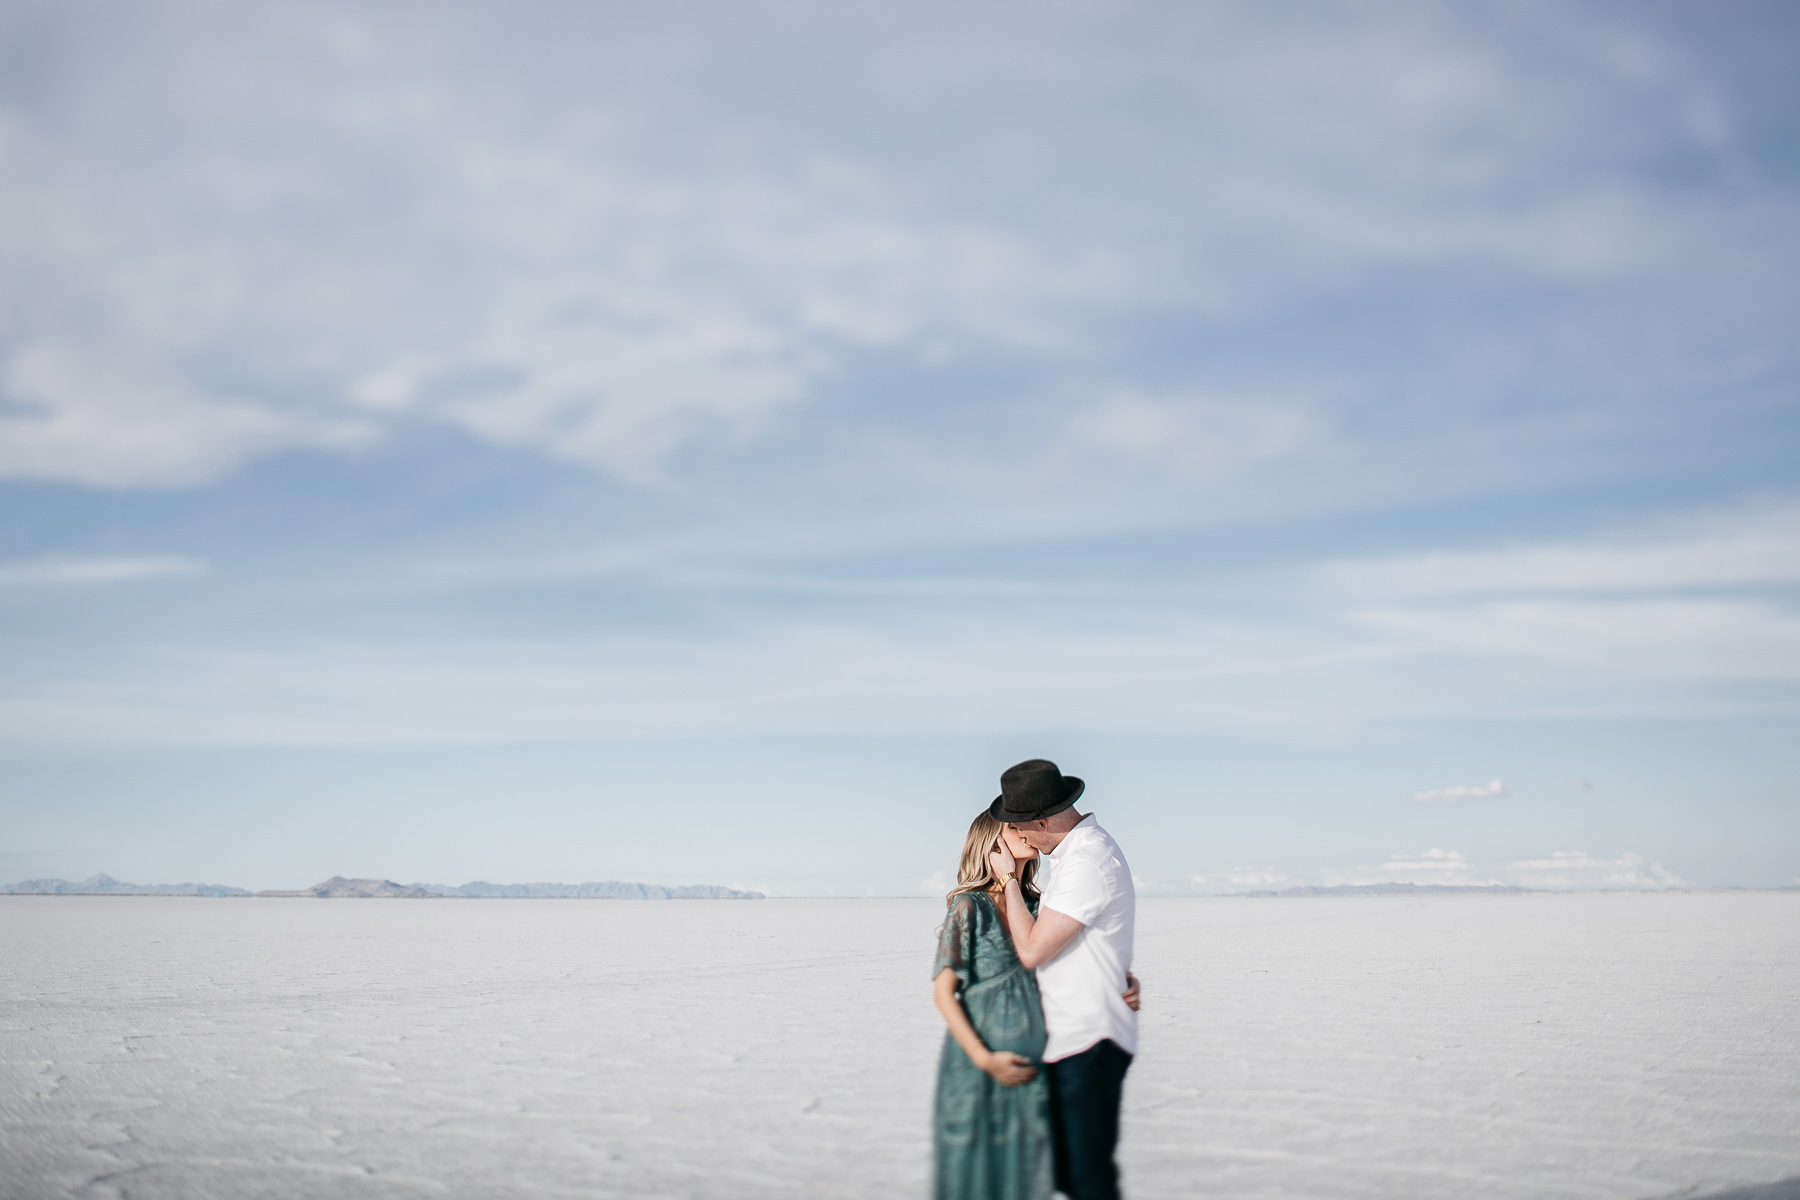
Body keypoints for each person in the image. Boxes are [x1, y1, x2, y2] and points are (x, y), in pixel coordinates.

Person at [931, 811, 1142, 1200]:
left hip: (1037, 1063)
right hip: (982, 1063)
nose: (1025, 830)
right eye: (1012, 827)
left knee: (1025, 1175)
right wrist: (983, 1058)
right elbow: (944, 991)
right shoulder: (969, 907)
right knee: (978, 1172)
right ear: (993, 843)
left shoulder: (1036, 904)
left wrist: (1120, 982)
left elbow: (1073, 958)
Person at [987, 759, 1137, 1200]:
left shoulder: (1086, 861)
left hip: (1088, 1038)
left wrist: (1009, 882)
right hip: (1074, 1035)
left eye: (1020, 828)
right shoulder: (1074, 856)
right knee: (1071, 1175)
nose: (1020, 838)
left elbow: (1032, 951)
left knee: (1085, 1177)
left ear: (1041, 820)